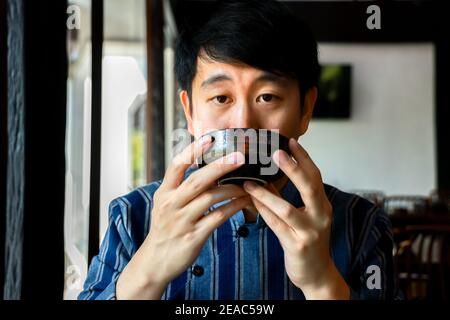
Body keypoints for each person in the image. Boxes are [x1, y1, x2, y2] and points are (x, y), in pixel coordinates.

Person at [79, 0, 398, 300]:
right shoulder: (132, 216)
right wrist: (147, 272)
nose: (244, 122)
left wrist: (321, 282)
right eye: (221, 98)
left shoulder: (362, 224)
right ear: (189, 113)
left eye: (268, 97)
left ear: (305, 110)